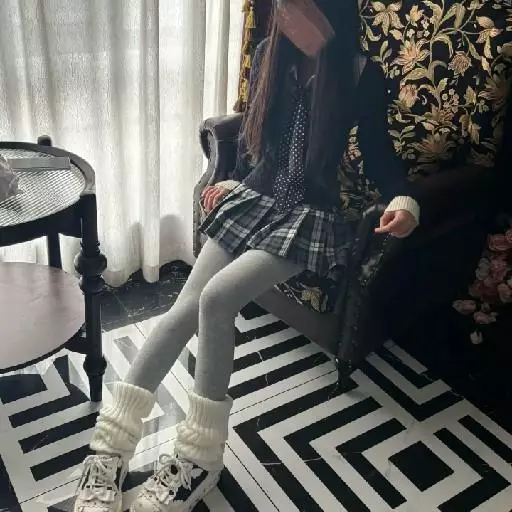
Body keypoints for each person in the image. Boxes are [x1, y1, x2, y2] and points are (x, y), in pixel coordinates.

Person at [74, 1, 419, 511]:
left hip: (310, 218)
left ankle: (199, 459)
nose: (285, 20)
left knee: (216, 300)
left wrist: (404, 200)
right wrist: (236, 179)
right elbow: (256, 138)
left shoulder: (359, 74)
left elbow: (380, 152)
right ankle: (107, 451)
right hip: (256, 198)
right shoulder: (269, 56)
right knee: (184, 308)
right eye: (281, 8)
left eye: (298, 9)